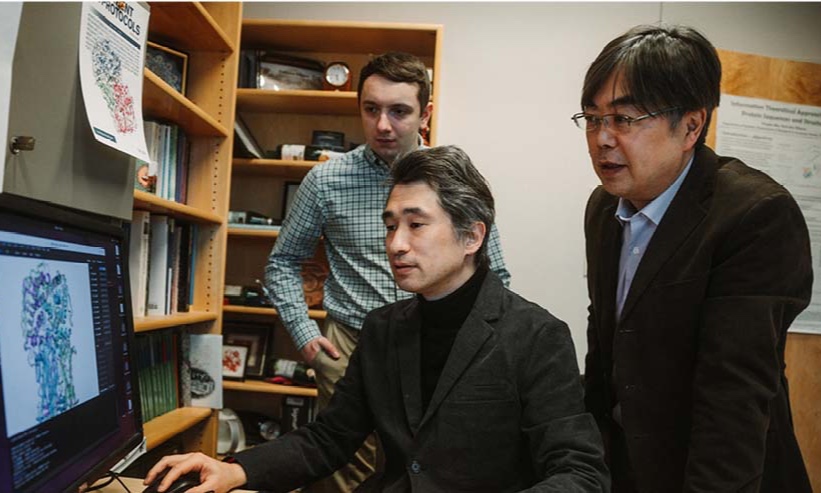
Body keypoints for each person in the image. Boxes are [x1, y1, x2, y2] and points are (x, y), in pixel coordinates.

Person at [143, 145, 608, 493]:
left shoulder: (536, 335)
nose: (396, 244)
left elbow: (580, 472)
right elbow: (330, 438)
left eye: (416, 224)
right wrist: (234, 469)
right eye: (390, 226)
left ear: (471, 236)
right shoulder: (383, 328)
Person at [577, 24, 813, 492]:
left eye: (624, 119)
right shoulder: (603, 208)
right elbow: (605, 352)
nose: (602, 138)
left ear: (690, 126)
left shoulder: (755, 215)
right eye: (592, 118)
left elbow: (733, 400)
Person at [263, 52, 510, 492]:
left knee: (429, 463)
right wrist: (305, 336)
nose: (382, 125)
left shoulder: (453, 178)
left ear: (425, 113)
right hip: (350, 343)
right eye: (371, 109)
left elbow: (495, 272)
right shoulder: (326, 181)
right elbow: (282, 261)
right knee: (346, 469)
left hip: (436, 343)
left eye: (399, 111)